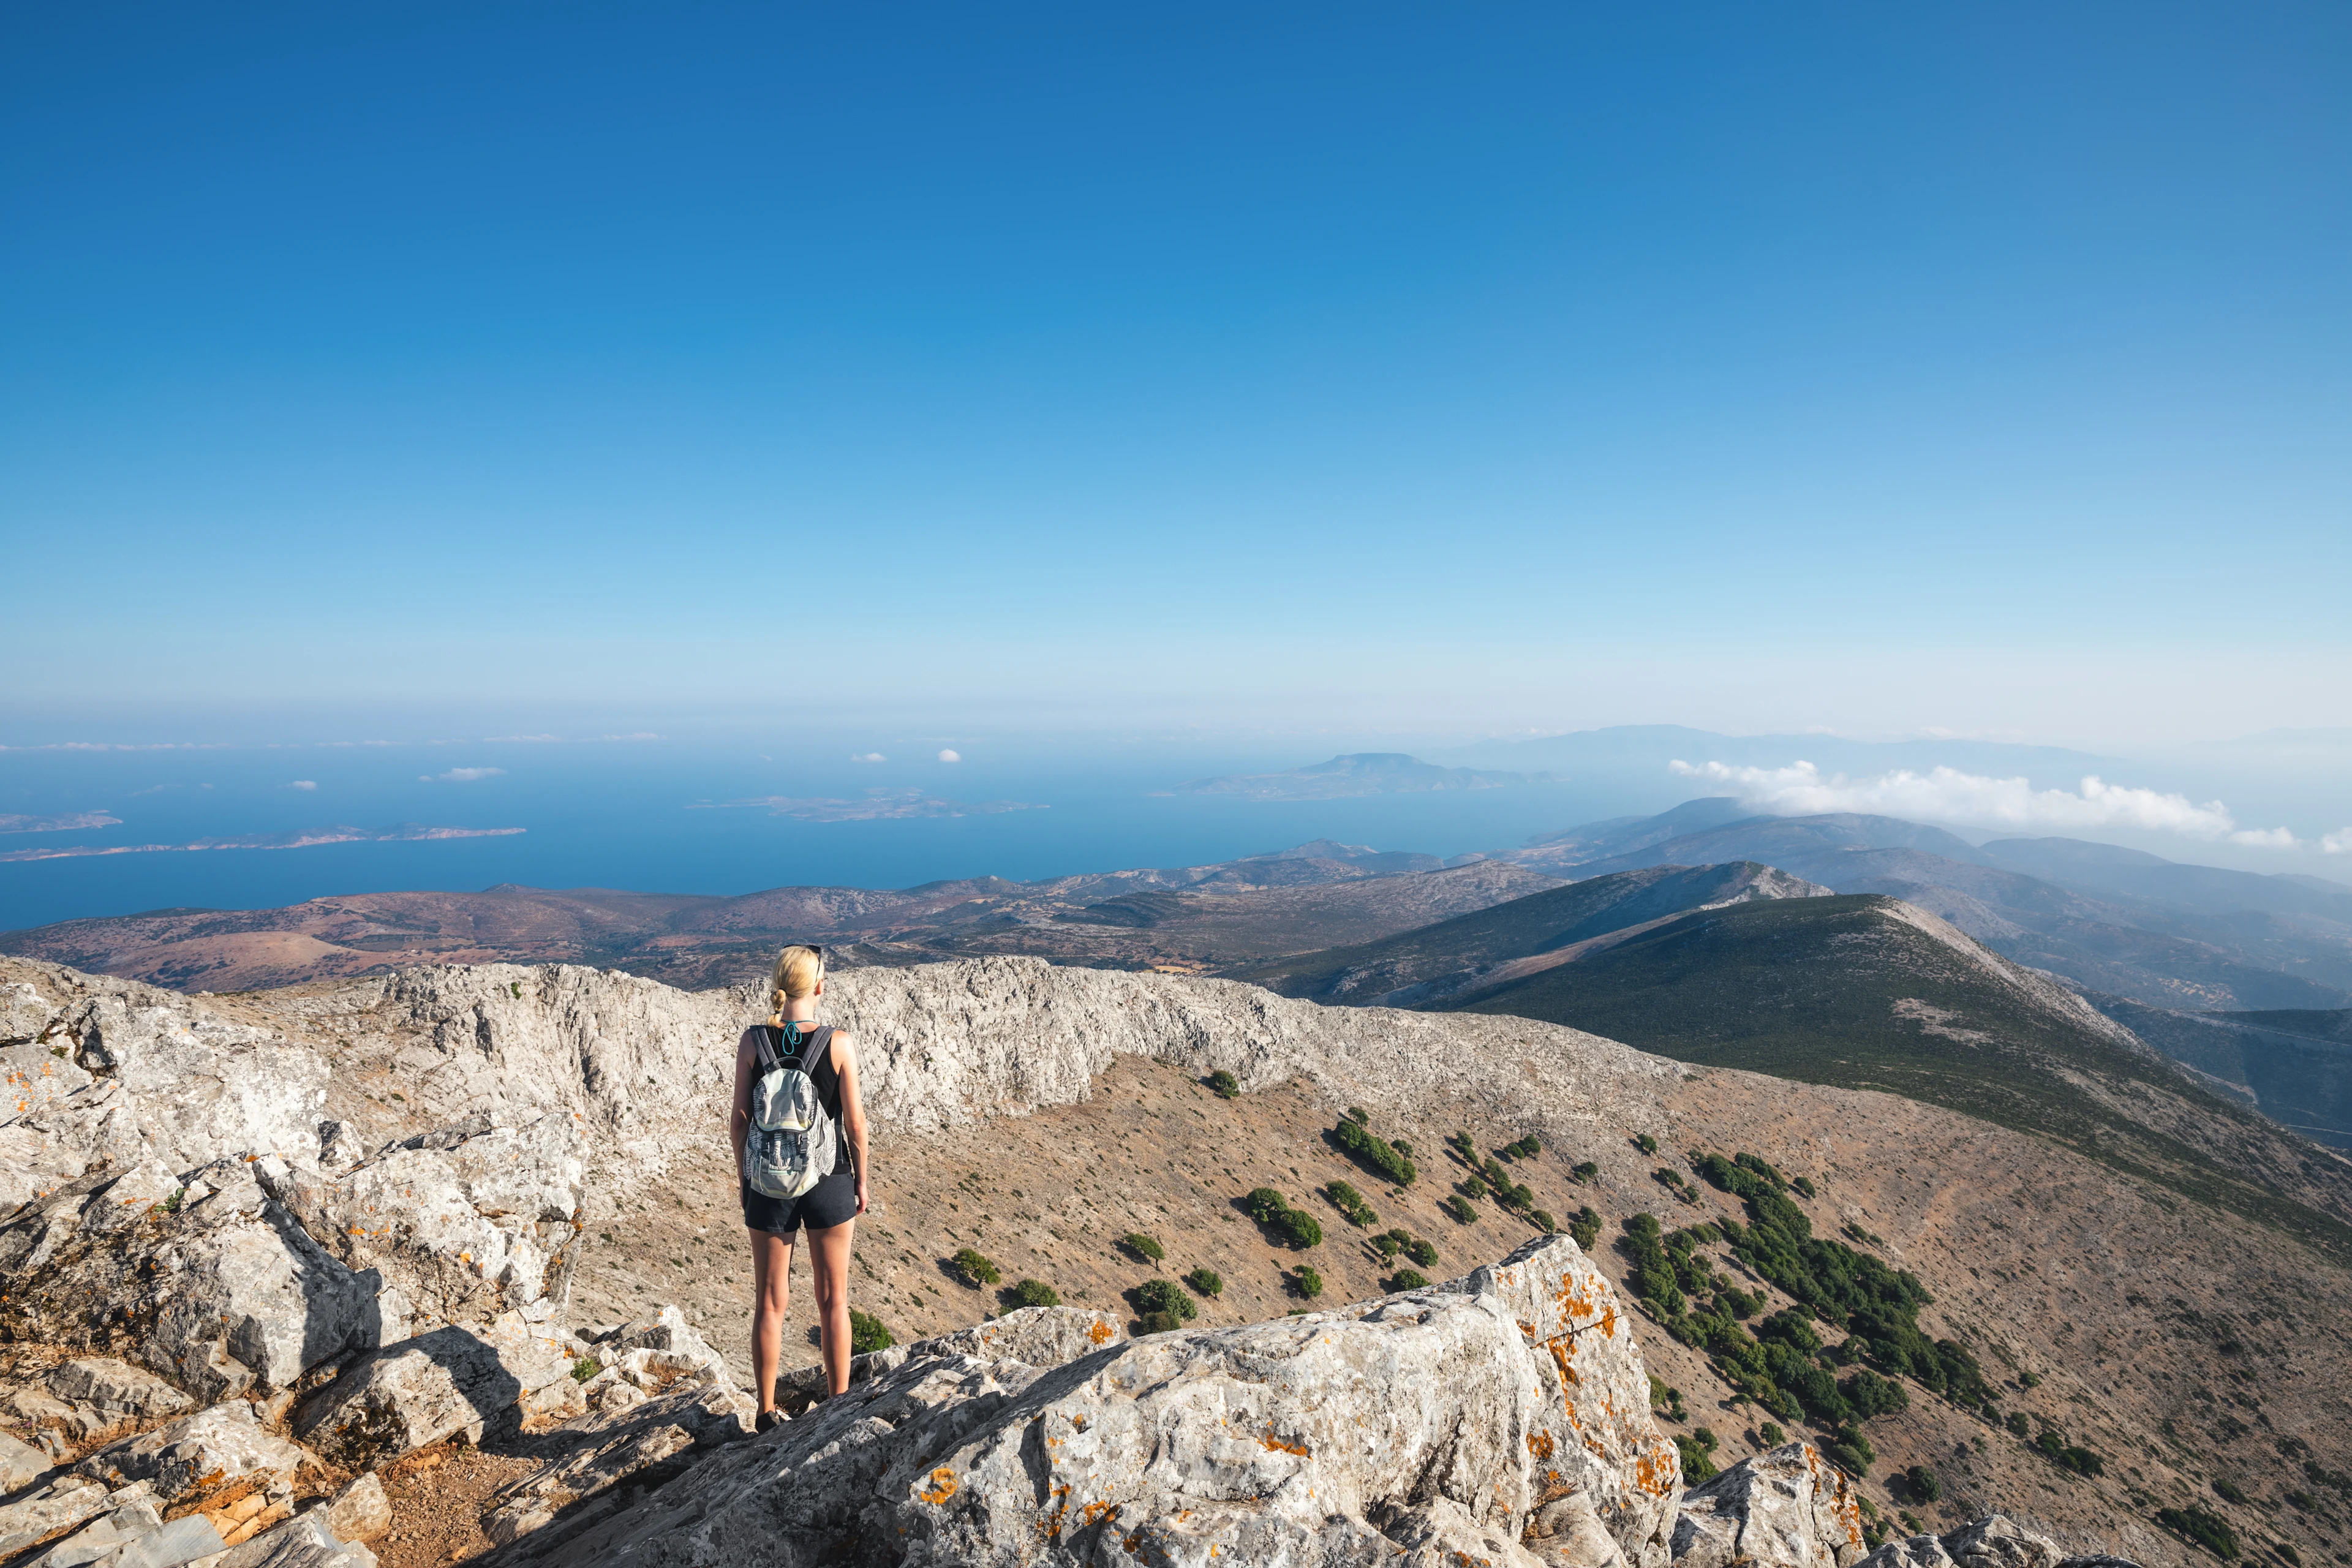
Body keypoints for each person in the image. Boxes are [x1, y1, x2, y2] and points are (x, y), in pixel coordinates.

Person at [731, 943, 870, 1433]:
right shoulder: (838, 1043)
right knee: (834, 1298)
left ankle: (766, 1412)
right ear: (818, 986)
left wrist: (746, 1180)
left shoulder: (754, 1042)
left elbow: (740, 1123)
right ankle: (839, 1408)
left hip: (768, 1181)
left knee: (770, 1301)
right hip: (829, 1179)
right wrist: (863, 1182)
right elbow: (855, 1126)